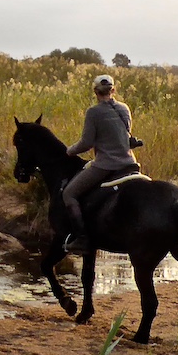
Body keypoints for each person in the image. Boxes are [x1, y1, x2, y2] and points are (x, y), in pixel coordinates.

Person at [61, 74, 141, 254]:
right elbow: (124, 136)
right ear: (113, 90)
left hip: (106, 165)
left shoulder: (93, 112)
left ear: (95, 92)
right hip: (130, 163)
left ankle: (82, 239)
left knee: (69, 194)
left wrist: (70, 151)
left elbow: (86, 142)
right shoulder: (124, 108)